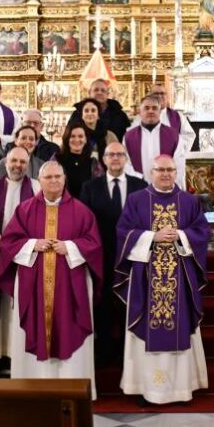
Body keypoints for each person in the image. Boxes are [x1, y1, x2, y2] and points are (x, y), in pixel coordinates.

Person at [0, 162, 103, 395]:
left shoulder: (82, 211)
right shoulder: (24, 210)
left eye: (58, 176)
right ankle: (31, 391)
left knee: (70, 328)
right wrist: (33, 244)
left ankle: (73, 390)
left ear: (64, 179)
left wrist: (71, 247)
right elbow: (8, 243)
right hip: (33, 286)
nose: (54, 181)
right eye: (48, 177)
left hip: (70, 287)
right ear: (40, 180)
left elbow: (94, 245)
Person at [115, 155, 211, 404]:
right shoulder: (136, 200)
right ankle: (145, 388)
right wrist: (151, 237)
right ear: (151, 172)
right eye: (161, 170)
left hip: (180, 278)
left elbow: (202, 232)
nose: (166, 174)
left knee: (181, 326)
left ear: (176, 172)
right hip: (145, 278)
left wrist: (180, 235)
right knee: (145, 327)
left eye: (170, 170)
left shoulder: (189, 201)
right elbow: (123, 232)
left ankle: (180, 389)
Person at [77, 142, 146, 365]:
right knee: (104, 303)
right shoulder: (90, 187)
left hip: (133, 256)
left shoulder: (140, 186)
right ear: (104, 159)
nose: (115, 158)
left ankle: (129, 352)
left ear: (126, 159)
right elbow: (84, 224)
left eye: (119, 154)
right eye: (111, 155)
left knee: (130, 303)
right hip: (101, 256)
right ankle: (105, 350)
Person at [0, 146, 41, 371]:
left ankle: (18, 354)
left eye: (22, 162)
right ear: (5, 163)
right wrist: (3, 242)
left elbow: (41, 218)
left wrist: (19, 247)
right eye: (14, 161)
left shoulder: (36, 188)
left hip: (26, 257)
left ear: (28, 164)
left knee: (19, 304)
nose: (17, 166)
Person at [124, 95, 185, 188]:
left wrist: (171, 185)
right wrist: (140, 179)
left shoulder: (174, 136)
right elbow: (125, 163)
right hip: (138, 187)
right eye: (146, 108)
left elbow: (179, 164)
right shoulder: (129, 136)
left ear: (160, 112)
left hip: (166, 187)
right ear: (140, 112)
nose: (151, 111)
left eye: (154, 108)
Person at [56, 121, 103, 200]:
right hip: (62, 205)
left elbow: (100, 189)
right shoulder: (56, 160)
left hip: (86, 206)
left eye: (80, 136)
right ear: (67, 139)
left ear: (86, 140)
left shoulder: (93, 163)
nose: (77, 139)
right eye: (72, 136)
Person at [151, 83, 196, 152]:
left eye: (162, 93)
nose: (159, 96)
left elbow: (189, 135)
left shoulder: (178, 116)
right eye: (156, 94)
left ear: (167, 97)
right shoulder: (142, 117)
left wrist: (177, 148)